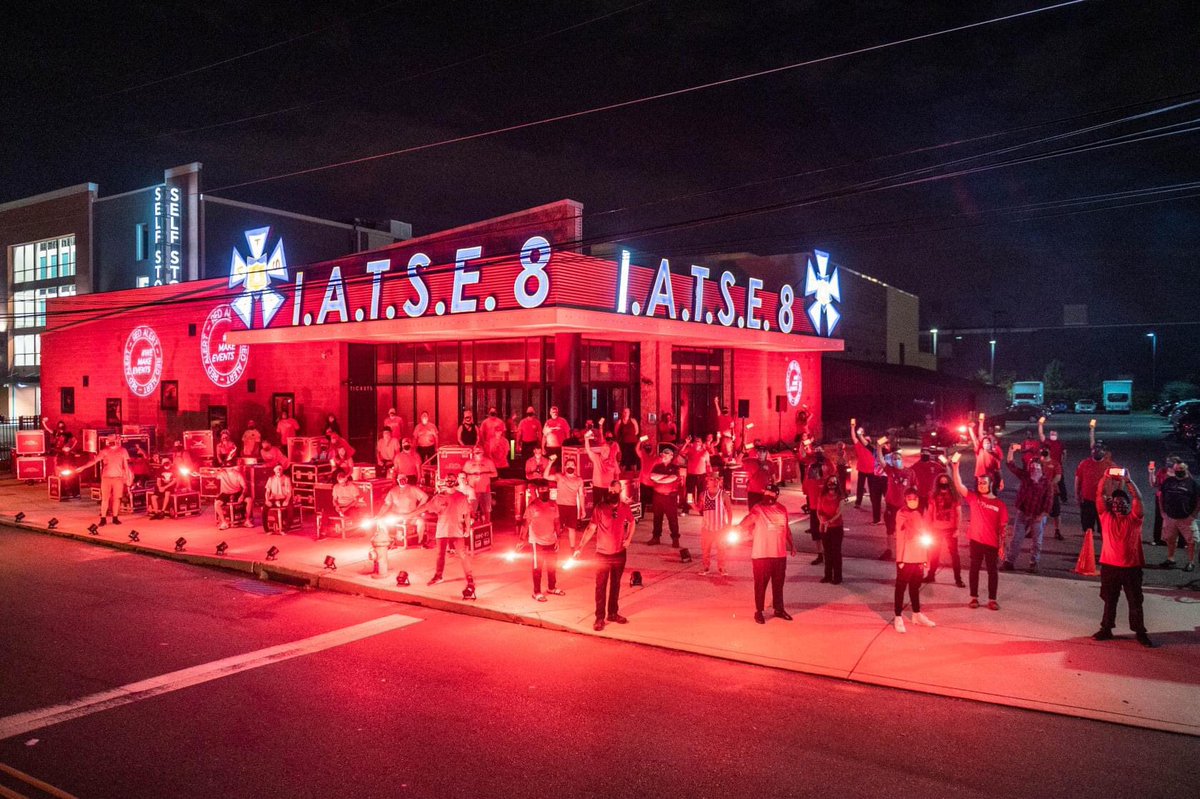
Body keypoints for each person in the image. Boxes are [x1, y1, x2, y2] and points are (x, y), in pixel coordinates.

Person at [1094, 474, 1153, 647]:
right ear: (1111, 504)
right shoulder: (1106, 517)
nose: (1118, 504)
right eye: (1115, 501)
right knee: (1109, 600)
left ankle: (1140, 632)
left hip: (1131, 568)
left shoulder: (1134, 519)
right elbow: (1099, 494)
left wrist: (1128, 481)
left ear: (1128, 505)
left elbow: (1138, 498)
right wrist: (1104, 478)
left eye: (1122, 502)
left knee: (1135, 602)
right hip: (1109, 567)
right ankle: (1106, 629)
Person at [575, 480, 637, 630]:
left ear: (620, 491)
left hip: (619, 553)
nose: (612, 493)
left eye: (614, 491)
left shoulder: (624, 507)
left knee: (616, 585)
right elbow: (591, 528)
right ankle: (599, 618)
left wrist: (628, 538)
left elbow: (632, 521)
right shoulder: (600, 508)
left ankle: (613, 613)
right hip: (603, 554)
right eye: (610, 490)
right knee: (601, 586)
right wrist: (580, 547)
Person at [951, 454, 1009, 611]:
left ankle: (992, 599)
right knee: (974, 569)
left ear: (991, 484)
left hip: (992, 543)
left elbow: (1003, 528)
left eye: (985, 483)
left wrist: (1002, 546)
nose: (982, 485)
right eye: (980, 483)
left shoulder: (1000, 505)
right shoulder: (974, 498)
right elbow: (959, 486)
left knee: (992, 571)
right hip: (975, 541)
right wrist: (955, 468)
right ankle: (974, 597)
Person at [736, 483, 796, 624]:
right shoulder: (758, 508)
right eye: (766, 493)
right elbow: (749, 519)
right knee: (760, 585)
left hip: (779, 554)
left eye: (771, 493)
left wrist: (792, 545)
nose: (768, 495)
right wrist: (738, 527)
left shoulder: (782, 509)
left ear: (776, 495)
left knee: (778, 584)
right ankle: (759, 611)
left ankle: (779, 609)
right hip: (761, 555)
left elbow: (786, 528)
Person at [1003, 443, 1054, 573]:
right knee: (1016, 539)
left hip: (1037, 516)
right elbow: (1011, 465)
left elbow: (1048, 502)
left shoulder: (1046, 483)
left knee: (1037, 541)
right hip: (1023, 513)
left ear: (1041, 468)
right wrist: (1011, 451)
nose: (1035, 469)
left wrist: (1042, 515)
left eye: (1037, 466)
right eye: (1032, 466)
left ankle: (1034, 563)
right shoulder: (1025, 476)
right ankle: (1009, 561)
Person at [893, 487, 937, 633]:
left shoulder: (920, 513)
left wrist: (925, 558)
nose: (912, 501)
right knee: (901, 587)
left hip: (918, 556)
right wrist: (900, 559)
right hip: (905, 557)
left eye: (915, 499)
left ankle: (916, 614)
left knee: (915, 587)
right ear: (905, 499)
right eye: (909, 499)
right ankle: (898, 616)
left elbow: (925, 533)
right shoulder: (901, 513)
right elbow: (902, 535)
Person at [425, 481, 477, 597]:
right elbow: (428, 509)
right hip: (442, 530)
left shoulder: (461, 496)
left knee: (462, 554)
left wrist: (467, 528)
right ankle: (438, 576)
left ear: (455, 482)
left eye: (451, 479)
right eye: (447, 479)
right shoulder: (439, 496)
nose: (449, 481)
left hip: (456, 530)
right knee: (440, 554)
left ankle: (469, 577)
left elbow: (467, 514)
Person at [523, 480, 565, 602]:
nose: (544, 493)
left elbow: (557, 522)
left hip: (551, 540)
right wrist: (521, 539)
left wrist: (558, 538)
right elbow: (525, 524)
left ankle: (551, 588)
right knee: (537, 569)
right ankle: (536, 592)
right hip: (537, 543)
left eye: (546, 490)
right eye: (542, 491)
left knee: (552, 567)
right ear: (538, 491)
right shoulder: (532, 506)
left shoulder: (553, 505)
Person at [76, 435, 132, 526]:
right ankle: (103, 518)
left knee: (117, 498)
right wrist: (83, 467)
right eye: (109, 440)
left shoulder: (123, 450)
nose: (110, 441)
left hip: (118, 478)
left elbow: (126, 465)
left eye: (112, 439)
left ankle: (115, 517)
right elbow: (94, 461)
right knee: (105, 499)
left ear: (116, 440)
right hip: (106, 478)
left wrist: (128, 477)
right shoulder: (104, 451)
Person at [876, 438, 916, 561]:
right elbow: (881, 460)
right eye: (894, 459)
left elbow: (914, 489)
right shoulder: (890, 470)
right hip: (891, 505)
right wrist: (879, 447)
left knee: (905, 529)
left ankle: (905, 551)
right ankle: (889, 550)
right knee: (890, 529)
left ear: (901, 459)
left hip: (904, 507)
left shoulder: (910, 472)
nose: (896, 460)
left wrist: (914, 505)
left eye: (898, 458)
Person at [924, 472, 964, 587]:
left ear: (949, 483)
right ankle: (931, 575)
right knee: (934, 554)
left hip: (950, 529)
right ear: (938, 483)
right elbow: (930, 512)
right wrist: (928, 527)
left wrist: (957, 529)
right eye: (941, 482)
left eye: (945, 482)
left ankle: (958, 579)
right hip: (936, 529)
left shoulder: (955, 495)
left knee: (954, 555)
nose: (943, 484)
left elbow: (959, 513)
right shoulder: (933, 495)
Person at [1158, 460, 1198, 571]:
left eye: (1181, 469)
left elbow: (1198, 500)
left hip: (1186, 518)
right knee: (1170, 539)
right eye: (1176, 469)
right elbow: (1161, 496)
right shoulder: (1168, 481)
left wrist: (1194, 514)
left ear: (1186, 469)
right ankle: (1171, 559)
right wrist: (1162, 512)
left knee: (1191, 541)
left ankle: (1191, 562)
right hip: (1170, 517)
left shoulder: (1192, 483)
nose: (1178, 471)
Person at [696, 471, 732, 576]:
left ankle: (722, 568)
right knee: (705, 550)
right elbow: (699, 509)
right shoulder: (703, 495)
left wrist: (729, 526)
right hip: (707, 528)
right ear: (708, 481)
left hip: (720, 528)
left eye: (717, 479)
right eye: (712, 479)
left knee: (722, 549)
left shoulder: (723, 495)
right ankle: (706, 567)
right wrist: (691, 504)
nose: (715, 482)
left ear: (720, 481)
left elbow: (729, 511)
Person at [801, 446, 832, 565]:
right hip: (814, 506)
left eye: (820, 451)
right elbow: (806, 485)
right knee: (816, 532)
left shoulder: (827, 464)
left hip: (825, 507)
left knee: (827, 532)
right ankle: (820, 554)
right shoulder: (811, 465)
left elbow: (832, 478)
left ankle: (828, 553)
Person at [379, 474, 430, 547]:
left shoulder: (413, 489)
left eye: (404, 479)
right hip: (397, 516)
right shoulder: (393, 491)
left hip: (410, 516)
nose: (402, 481)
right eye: (400, 479)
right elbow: (387, 504)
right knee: (381, 521)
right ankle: (388, 541)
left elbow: (425, 497)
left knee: (421, 522)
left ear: (406, 480)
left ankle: (420, 541)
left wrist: (418, 509)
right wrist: (379, 514)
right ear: (397, 480)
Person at [546, 455, 585, 548]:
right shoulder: (559, 476)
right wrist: (550, 463)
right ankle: (555, 545)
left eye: (572, 465)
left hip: (572, 507)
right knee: (557, 527)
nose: (570, 466)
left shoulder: (579, 480)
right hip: (560, 506)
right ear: (565, 467)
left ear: (575, 467)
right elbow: (546, 476)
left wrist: (583, 509)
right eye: (568, 465)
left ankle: (572, 549)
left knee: (572, 529)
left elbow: (581, 495)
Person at [1074, 442, 1112, 536]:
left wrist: (1116, 494)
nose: (1097, 452)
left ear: (1104, 452)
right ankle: (1088, 542)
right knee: (1087, 527)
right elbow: (1078, 479)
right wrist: (1077, 495)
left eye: (1100, 450)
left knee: (1104, 527)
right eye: (1095, 450)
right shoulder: (1084, 463)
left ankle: (1105, 543)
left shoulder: (1109, 465)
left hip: (1103, 501)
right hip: (1087, 500)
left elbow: (1121, 478)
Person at [852, 422, 885, 524]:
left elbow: (881, 443)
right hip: (866, 471)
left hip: (875, 473)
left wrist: (885, 439)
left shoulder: (878, 452)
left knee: (877, 493)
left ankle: (886, 510)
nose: (866, 442)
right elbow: (856, 438)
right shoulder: (865, 448)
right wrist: (854, 428)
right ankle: (875, 515)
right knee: (868, 490)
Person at [815, 476, 845, 584]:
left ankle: (837, 577)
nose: (832, 484)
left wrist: (830, 521)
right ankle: (827, 575)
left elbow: (839, 512)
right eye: (830, 481)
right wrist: (821, 521)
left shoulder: (840, 497)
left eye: (834, 482)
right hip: (825, 527)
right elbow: (818, 511)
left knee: (836, 552)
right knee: (827, 552)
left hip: (836, 527)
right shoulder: (822, 496)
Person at [648, 447, 681, 547]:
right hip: (658, 496)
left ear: (671, 456)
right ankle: (656, 537)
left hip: (670, 497)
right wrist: (666, 477)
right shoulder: (657, 466)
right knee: (657, 517)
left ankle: (675, 539)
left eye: (667, 454)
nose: (664, 456)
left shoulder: (675, 467)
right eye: (663, 454)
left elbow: (673, 478)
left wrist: (659, 479)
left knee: (672, 519)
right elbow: (652, 476)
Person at [584, 427, 621, 507]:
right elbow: (588, 450)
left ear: (609, 451)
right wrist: (586, 439)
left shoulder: (613, 460)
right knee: (597, 506)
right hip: (597, 486)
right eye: (603, 449)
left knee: (609, 506)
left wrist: (617, 487)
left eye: (606, 450)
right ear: (601, 451)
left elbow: (617, 474)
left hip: (609, 487)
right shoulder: (596, 457)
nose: (605, 451)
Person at [968, 413, 1003, 494]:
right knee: (978, 496)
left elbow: (998, 468)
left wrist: (1001, 480)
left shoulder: (995, 452)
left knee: (991, 495)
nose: (985, 444)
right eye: (984, 442)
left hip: (991, 478)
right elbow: (975, 438)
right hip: (979, 476)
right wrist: (972, 428)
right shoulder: (980, 450)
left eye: (988, 442)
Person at [462, 446, 498, 521]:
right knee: (471, 511)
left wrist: (484, 474)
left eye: (479, 451)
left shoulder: (488, 462)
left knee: (487, 510)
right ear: (473, 452)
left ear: (483, 452)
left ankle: (487, 525)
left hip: (485, 490)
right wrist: (471, 475)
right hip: (472, 491)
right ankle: (471, 526)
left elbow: (495, 474)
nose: (477, 453)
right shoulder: (468, 463)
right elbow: (463, 475)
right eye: (476, 451)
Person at [215, 465, 252, 529]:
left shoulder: (238, 474)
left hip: (237, 492)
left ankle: (247, 521)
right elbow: (213, 475)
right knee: (217, 503)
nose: (230, 469)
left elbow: (245, 487)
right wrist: (217, 470)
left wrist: (242, 495)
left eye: (231, 468)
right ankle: (224, 522)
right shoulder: (222, 474)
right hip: (225, 493)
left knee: (249, 500)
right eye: (228, 468)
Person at [262, 464, 296, 533]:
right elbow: (267, 491)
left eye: (280, 469)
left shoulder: (286, 479)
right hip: (273, 499)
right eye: (277, 469)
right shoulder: (271, 479)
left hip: (283, 498)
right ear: (274, 470)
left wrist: (287, 500)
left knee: (290, 509)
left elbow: (289, 492)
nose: (279, 471)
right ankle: (266, 529)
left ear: (282, 470)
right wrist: (267, 500)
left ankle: (286, 529)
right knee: (264, 509)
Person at [683, 436, 712, 510]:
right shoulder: (690, 450)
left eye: (698, 441)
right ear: (693, 443)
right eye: (695, 441)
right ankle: (687, 508)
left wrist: (710, 475)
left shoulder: (705, 452)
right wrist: (686, 443)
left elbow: (708, 464)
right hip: (691, 475)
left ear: (701, 443)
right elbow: (681, 452)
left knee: (701, 494)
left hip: (702, 476)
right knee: (689, 493)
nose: (697, 442)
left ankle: (701, 508)